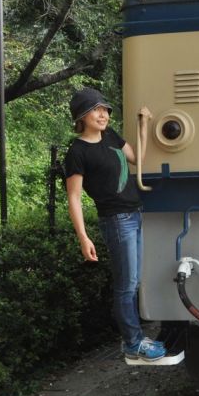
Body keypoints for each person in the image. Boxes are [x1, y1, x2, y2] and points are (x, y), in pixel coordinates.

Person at [64, 88, 166, 361]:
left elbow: (137, 159)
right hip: (117, 221)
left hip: (135, 215)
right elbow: (74, 198)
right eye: (95, 110)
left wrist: (143, 125)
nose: (103, 115)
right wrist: (83, 237)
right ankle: (133, 343)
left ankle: (134, 339)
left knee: (133, 282)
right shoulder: (77, 151)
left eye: (104, 110)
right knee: (126, 285)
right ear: (81, 116)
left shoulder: (110, 136)